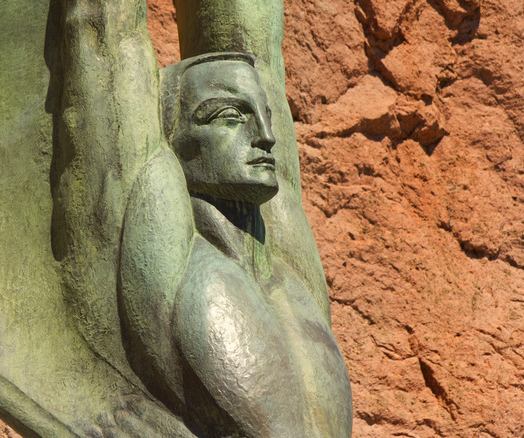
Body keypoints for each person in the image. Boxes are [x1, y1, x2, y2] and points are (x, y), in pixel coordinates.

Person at [54, 1, 352, 436]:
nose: (266, 138)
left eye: (264, 116)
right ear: (173, 138)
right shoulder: (164, 250)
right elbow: (107, 38)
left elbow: (259, 56)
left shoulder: (291, 277)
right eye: (230, 117)